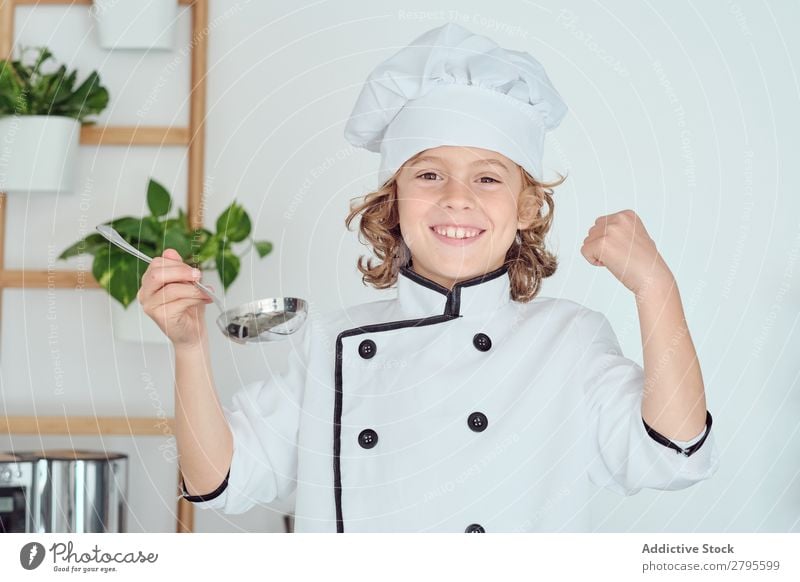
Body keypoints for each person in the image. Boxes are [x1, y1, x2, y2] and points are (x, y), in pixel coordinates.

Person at [138, 23, 719, 533]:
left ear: (525, 208)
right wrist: (188, 347)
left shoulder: (568, 340)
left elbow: (674, 450)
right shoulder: (330, 344)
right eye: (429, 174)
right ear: (393, 203)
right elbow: (218, 478)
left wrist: (655, 285)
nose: (456, 199)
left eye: (488, 178)